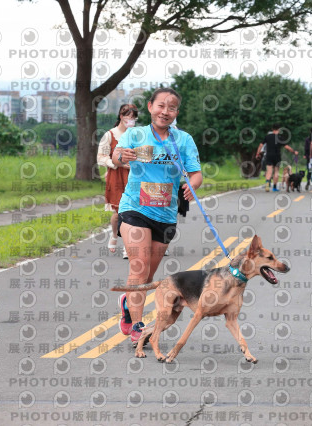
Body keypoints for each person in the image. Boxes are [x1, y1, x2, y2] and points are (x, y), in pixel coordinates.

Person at [112, 87, 202, 345]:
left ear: (176, 112)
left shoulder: (183, 140)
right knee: (138, 267)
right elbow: (117, 156)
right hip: (134, 208)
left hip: (165, 213)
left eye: (171, 107)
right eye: (161, 105)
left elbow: (196, 173)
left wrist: (191, 185)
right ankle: (138, 327)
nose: (165, 111)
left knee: (147, 276)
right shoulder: (136, 134)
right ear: (150, 106)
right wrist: (122, 156)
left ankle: (127, 304)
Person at [97, 104, 137, 259]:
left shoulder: (136, 135)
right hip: (116, 176)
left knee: (133, 212)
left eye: (134, 117)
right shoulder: (110, 135)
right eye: (129, 116)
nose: (131, 120)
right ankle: (114, 234)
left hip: (134, 176)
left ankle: (128, 246)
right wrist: (117, 163)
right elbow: (101, 157)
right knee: (118, 212)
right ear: (121, 116)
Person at [255, 124, 298, 192]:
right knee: (276, 172)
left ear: (272, 129)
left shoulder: (268, 136)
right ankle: (274, 188)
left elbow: (260, 145)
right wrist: (294, 151)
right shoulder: (280, 137)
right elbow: (286, 147)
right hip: (277, 156)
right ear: (279, 129)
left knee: (269, 171)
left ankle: (267, 185)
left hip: (268, 155)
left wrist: (257, 153)